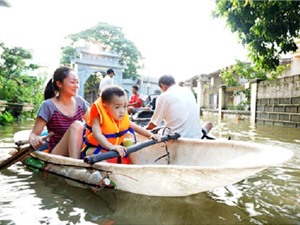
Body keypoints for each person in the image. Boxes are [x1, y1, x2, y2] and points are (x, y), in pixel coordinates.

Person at [81, 85, 159, 164]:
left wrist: (150, 135)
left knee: (131, 143)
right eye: (117, 107)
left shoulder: (123, 117)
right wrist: (111, 146)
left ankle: (136, 166)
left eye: (125, 106)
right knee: (94, 153)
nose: (122, 111)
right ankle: (106, 173)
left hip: (117, 144)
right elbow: (97, 134)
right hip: (97, 147)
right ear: (105, 107)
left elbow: (137, 128)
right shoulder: (98, 117)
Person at [29, 66, 90, 159]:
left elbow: (92, 124)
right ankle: (75, 163)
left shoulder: (80, 102)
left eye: (77, 82)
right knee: (78, 125)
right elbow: (34, 134)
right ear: (59, 84)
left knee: (83, 128)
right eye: (72, 82)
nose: (76, 85)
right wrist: (34, 139)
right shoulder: (48, 105)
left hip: (80, 147)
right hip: (58, 151)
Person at [145, 75, 213, 139]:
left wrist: (143, 130)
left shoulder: (163, 96)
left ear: (162, 85)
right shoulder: (188, 91)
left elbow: (153, 124)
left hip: (177, 137)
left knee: (156, 132)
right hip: (197, 137)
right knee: (208, 124)